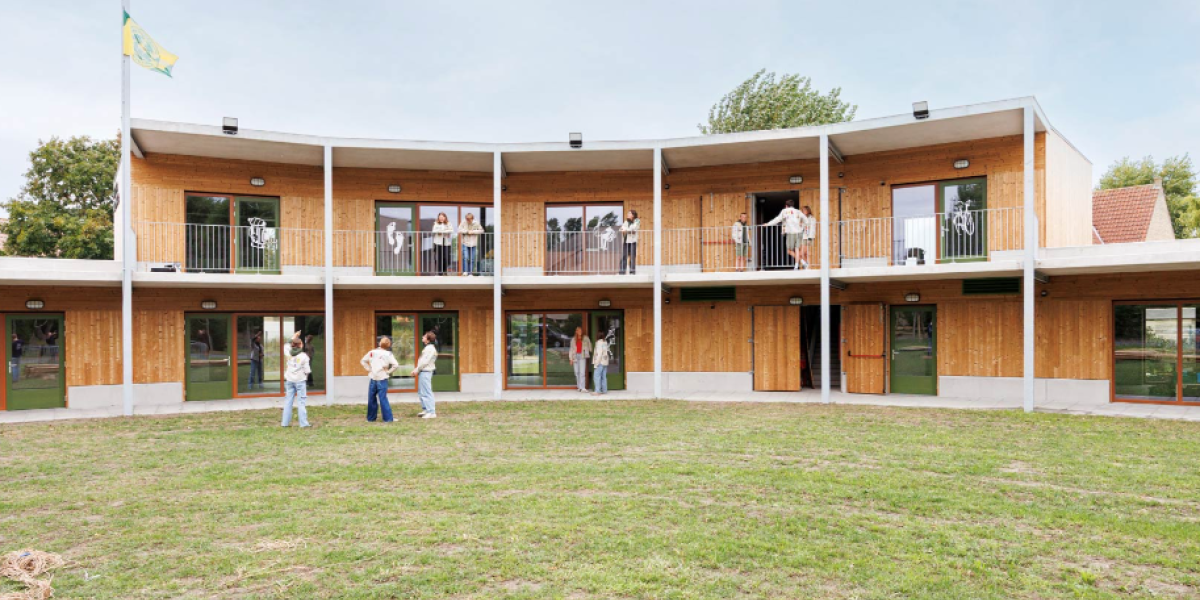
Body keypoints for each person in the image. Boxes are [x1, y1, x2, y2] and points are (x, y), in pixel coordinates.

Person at [361, 336, 399, 422]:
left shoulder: (372, 352)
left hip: (373, 377)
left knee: (371, 398)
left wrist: (369, 369)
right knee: (383, 398)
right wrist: (388, 372)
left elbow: (363, 361)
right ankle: (388, 418)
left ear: (379, 343)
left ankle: (370, 418)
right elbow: (396, 365)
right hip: (382, 377)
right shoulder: (388, 354)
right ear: (389, 345)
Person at [765, 199, 806, 270]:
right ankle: (797, 265)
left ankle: (802, 262)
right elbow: (806, 220)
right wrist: (802, 226)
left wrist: (768, 224)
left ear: (786, 206)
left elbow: (777, 219)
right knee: (796, 249)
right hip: (799, 232)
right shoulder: (798, 211)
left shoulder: (784, 211)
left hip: (791, 233)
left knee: (789, 250)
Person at [281, 337, 312, 428]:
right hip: (300, 381)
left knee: (288, 401)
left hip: (290, 380)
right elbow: (307, 370)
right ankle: (303, 423)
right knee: (301, 402)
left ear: (292, 345)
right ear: (301, 345)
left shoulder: (288, 353)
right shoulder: (304, 356)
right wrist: (306, 376)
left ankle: (285, 423)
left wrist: (293, 337)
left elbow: (285, 345)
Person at [413, 331, 439, 419]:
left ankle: (431, 412)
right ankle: (426, 409)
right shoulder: (428, 348)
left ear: (428, 339)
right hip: (423, 372)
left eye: (424, 337)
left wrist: (416, 370)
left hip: (426, 372)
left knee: (427, 392)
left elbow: (424, 361)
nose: (422, 337)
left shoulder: (430, 349)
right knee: (421, 392)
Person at [568, 326, 592, 393]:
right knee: (576, 372)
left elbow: (589, 345)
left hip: (582, 355)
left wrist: (589, 349)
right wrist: (571, 359)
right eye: (578, 330)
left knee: (582, 372)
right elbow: (571, 349)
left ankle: (583, 387)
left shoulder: (585, 338)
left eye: (581, 330)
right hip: (575, 356)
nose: (580, 332)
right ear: (576, 331)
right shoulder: (573, 339)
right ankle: (579, 387)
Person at [619, 209, 640, 274]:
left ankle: (632, 271)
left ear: (633, 215)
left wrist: (626, 230)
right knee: (624, 256)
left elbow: (634, 228)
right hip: (626, 241)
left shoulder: (637, 220)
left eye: (629, 213)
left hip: (633, 241)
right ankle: (622, 271)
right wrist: (629, 230)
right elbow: (621, 229)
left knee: (632, 256)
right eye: (628, 213)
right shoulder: (626, 222)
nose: (628, 214)